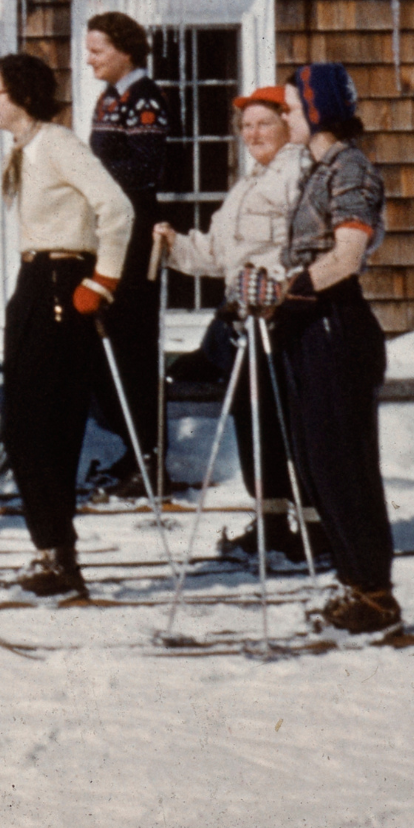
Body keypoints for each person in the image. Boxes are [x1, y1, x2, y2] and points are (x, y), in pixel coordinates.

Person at [254, 63, 400, 636]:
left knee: (344, 464)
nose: (285, 117)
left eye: (291, 108)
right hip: (308, 325)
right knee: (318, 462)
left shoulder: (350, 167)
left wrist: (287, 290)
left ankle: (375, 593)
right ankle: (353, 581)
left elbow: (346, 255)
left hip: (337, 326)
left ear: (317, 111)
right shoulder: (318, 168)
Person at [0, 52, 134, 599]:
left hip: (61, 284)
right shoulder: (28, 149)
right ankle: (50, 548)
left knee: (44, 425)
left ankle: (59, 557)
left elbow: (116, 209)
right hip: (33, 284)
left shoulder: (60, 143)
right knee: (23, 427)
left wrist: (104, 280)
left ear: (21, 94)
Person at [154, 87, 311, 562]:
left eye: (264, 123)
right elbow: (222, 254)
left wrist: (281, 289)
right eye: (246, 125)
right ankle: (269, 522)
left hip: (281, 320)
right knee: (253, 421)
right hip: (243, 322)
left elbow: (309, 247)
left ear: (288, 125)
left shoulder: (300, 174)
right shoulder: (251, 182)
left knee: (287, 425)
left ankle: (317, 528)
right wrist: (175, 246)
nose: (252, 133)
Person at [82, 10, 174, 499]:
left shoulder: (145, 99)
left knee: (134, 347)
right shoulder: (110, 98)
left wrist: (86, 177)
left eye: (98, 50)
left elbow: (141, 172)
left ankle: (153, 459)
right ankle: (133, 448)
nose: (90, 58)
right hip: (112, 230)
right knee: (110, 344)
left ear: (125, 50)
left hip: (136, 235)